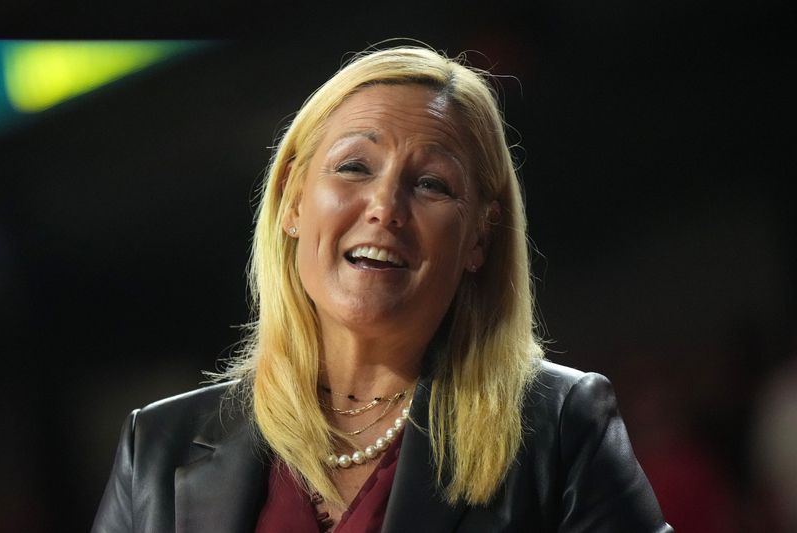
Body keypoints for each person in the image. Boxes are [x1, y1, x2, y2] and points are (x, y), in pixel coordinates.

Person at [92, 45, 672, 532]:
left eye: (431, 184)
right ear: (293, 199)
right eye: (354, 167)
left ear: (478, 237)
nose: (385, 208)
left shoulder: (561, 430)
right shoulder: (159, 447)